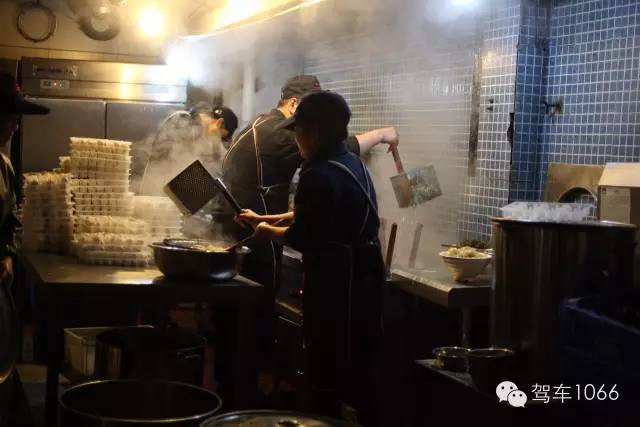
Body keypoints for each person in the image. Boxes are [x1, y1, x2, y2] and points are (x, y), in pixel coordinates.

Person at [213, 74, 396, 406]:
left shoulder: (317, 172)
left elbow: (302, 235)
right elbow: (309, 216)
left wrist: (265, 231)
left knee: (328, 364)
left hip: (340, 282)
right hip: (363, 277)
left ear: (314, 132)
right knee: (359, 363)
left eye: (297, 130)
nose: (294, 137)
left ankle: (324, 415)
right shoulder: (349, 163)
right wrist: (265, 218)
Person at [0, 71, 49, 427]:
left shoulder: (2, 164)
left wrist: (5, 252)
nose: (16, 126)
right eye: (10, 116)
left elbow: (9, 219)